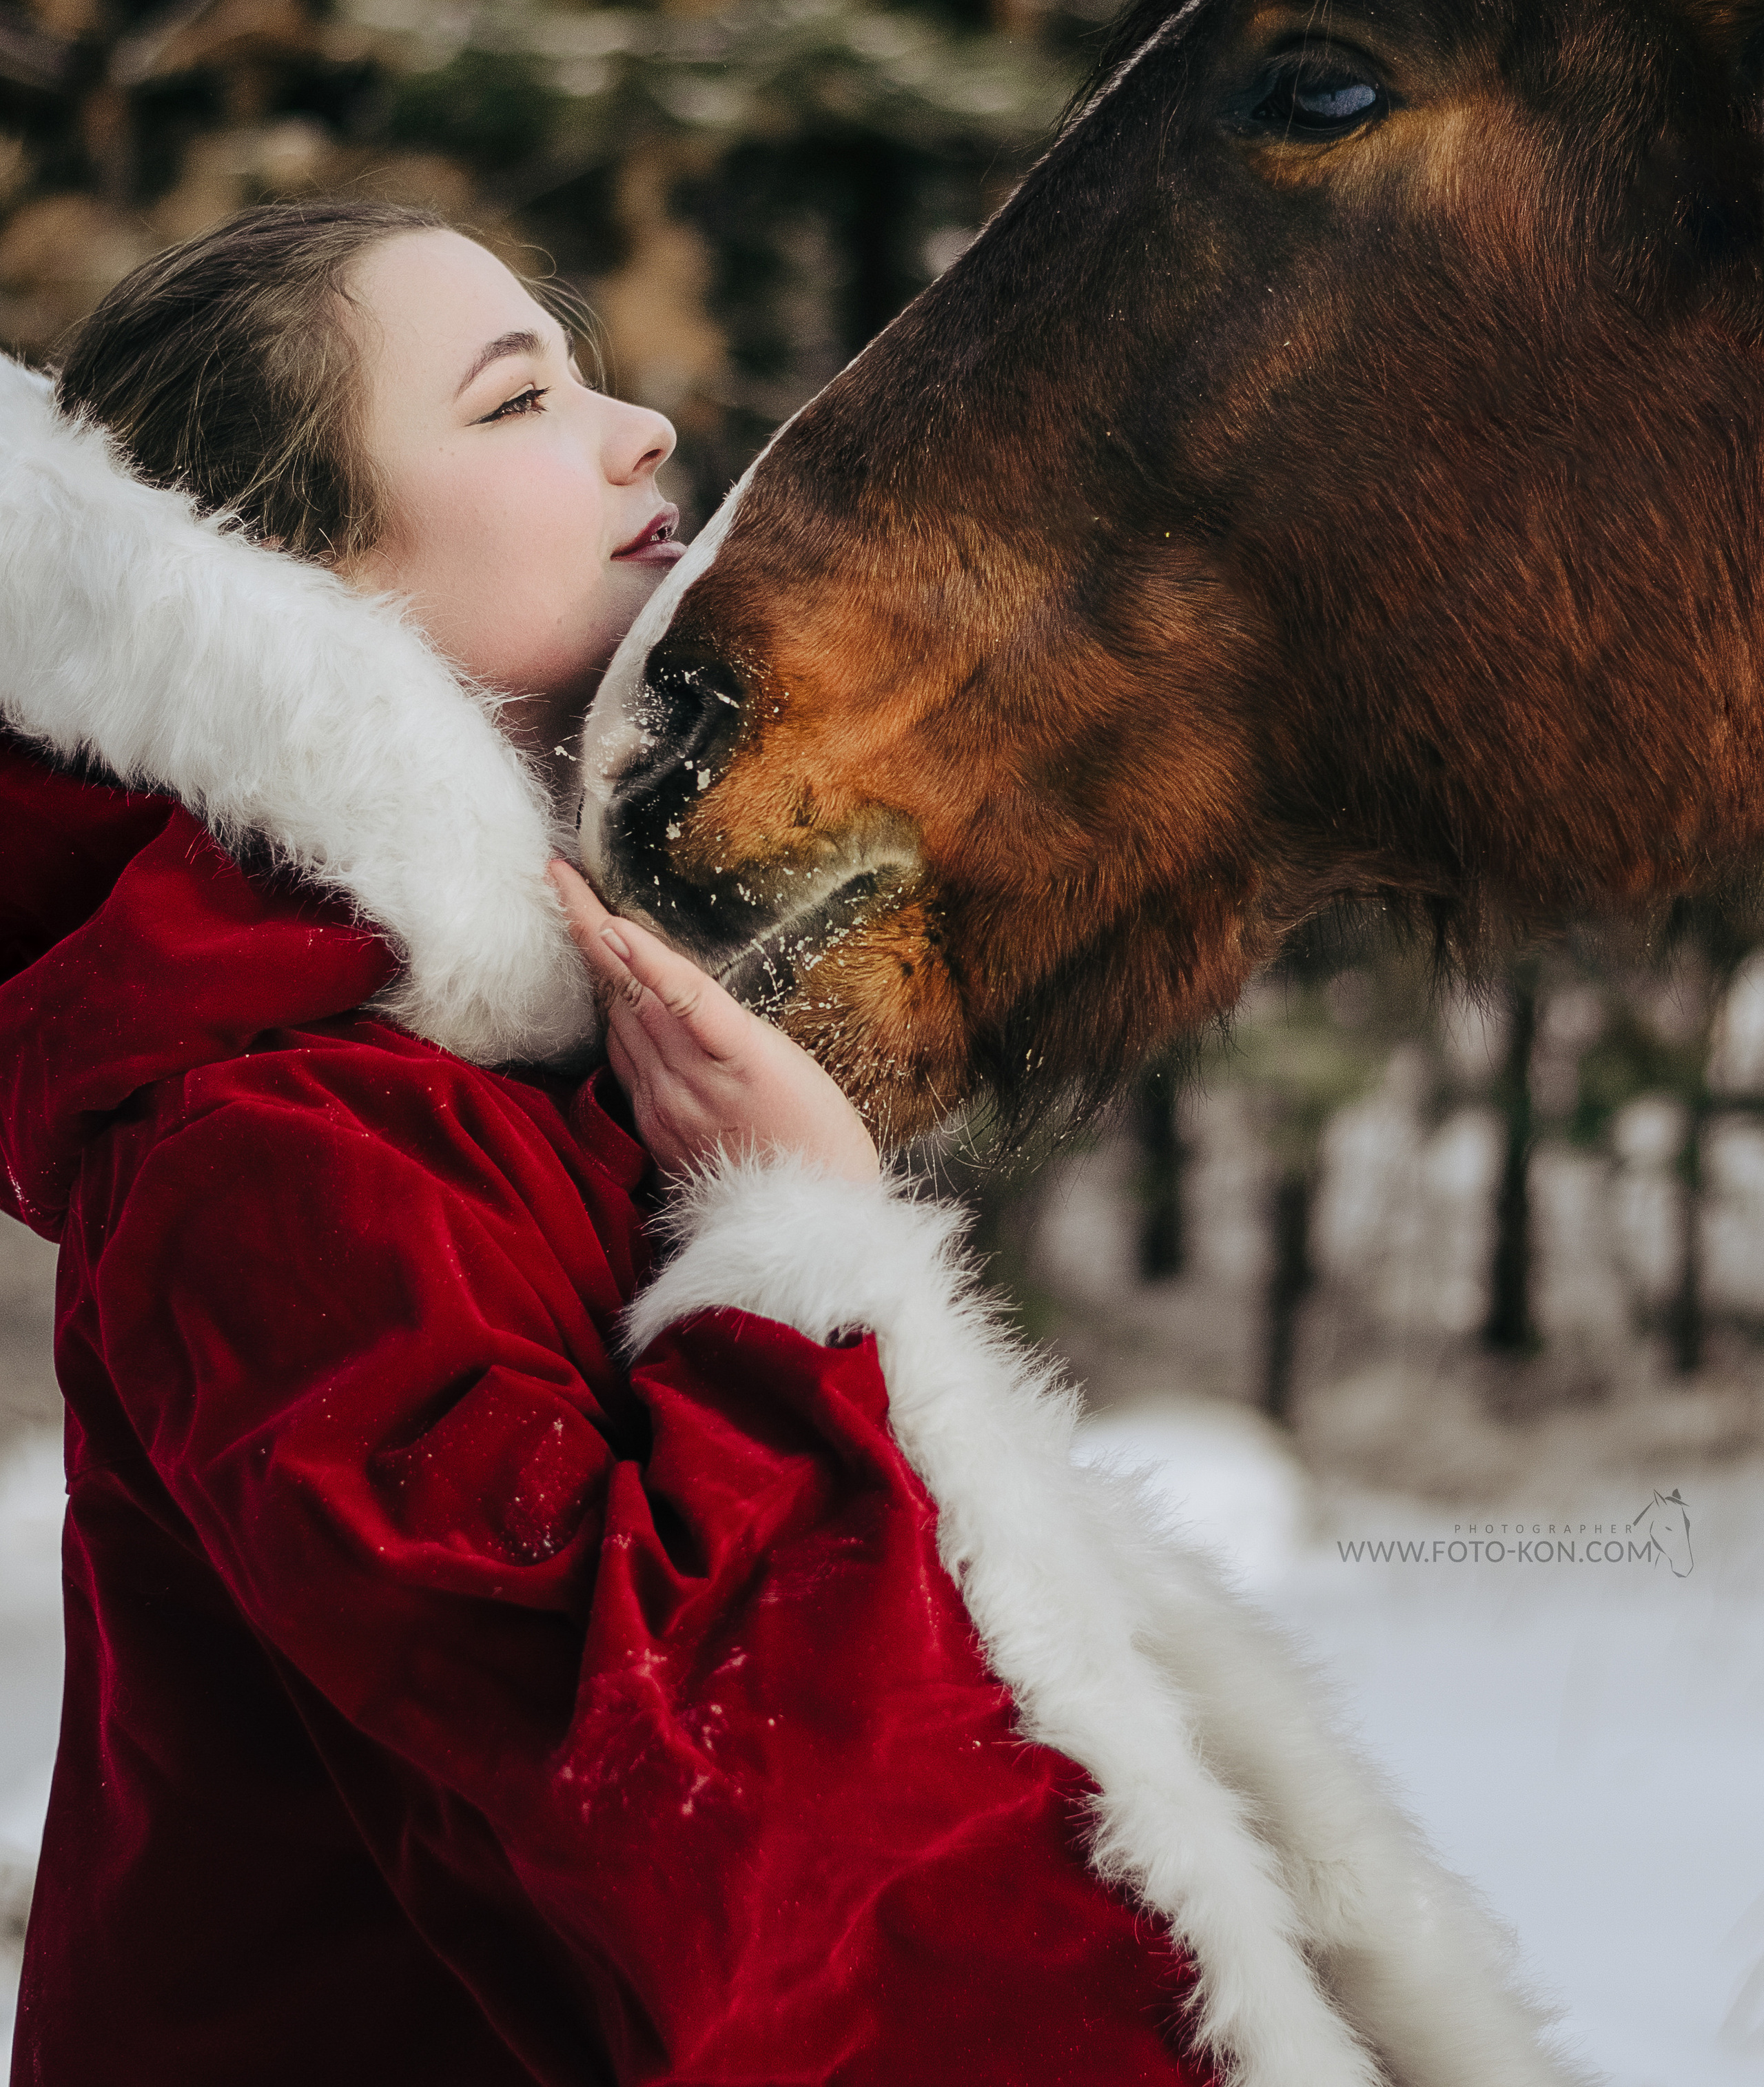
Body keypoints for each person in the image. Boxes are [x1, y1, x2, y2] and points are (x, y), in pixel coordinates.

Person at [0, 203, 1570, 2087]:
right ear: (275, 587)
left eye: (582, 371)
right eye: (515, 402)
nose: (641, 429)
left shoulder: (516, 1060)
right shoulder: (269, 1145)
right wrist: (800, 1263)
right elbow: (662, 1780)